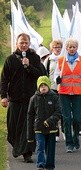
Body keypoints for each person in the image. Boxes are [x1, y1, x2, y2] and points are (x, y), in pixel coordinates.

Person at [0, 33, 43, 162]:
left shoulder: (35, 58)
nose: (24, 45)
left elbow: (40, 75)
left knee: (28, 126)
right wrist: (3, 96)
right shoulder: (10, 59)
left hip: (30, 99)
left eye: (26, 43)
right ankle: (17, 147)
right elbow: (4, 80)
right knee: (13, 126)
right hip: (15, 98)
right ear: (17, 44)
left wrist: (28, 66)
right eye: (21, 43)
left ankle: (27, 152)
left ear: (29, 44)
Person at [54, 38, 81, 153]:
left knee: (77, 118)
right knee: (66, 119)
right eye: (70, 47)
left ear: (77, 48)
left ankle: (76, 137)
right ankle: (69, 143)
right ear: (66, 48)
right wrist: (57, 79)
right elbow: (56, 74)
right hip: (64, 93)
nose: (72, 49)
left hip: (77, 93)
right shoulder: (61, 60)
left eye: (74, 47)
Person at [27, 76, 61, 170]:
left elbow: (58, 112)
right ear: (38, 87)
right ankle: (40, 164)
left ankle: (50, 166)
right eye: (41, 85)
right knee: (40, 146)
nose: (43, 87)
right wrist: (29, 135)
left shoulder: (54, 97)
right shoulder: (33, 98)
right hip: (38, 128)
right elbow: (30, 116)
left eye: (45, 85)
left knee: (50, 149)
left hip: (52, 128)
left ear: (49, 86)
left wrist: (50, 121)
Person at [43, 40, 64, 142]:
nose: (57, 49)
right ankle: (55, 132)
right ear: (51, 48)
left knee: (63, 111)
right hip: (52, 89)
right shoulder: (48, 60)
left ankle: (64, 131)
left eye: (59, 47)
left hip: (63, 88)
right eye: (55, 47)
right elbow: (45, 74)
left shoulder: (64, 59)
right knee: (53, 111)